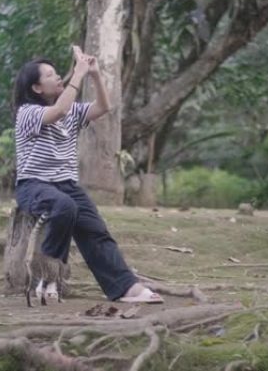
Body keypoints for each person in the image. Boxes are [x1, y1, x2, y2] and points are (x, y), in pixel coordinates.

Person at [12, 46, 163, 304]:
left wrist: (93, 74)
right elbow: (57, 111)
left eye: (58, 73)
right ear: (36, 88)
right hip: (33, 185)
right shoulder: (27, 113)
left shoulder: (72, 112)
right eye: (50, 75)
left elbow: (104, 106)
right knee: (64, 205)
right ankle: (48, 277)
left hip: (67, 185)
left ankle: (125, 288)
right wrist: (78, 73)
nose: (58, 77)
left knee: (96, 230)